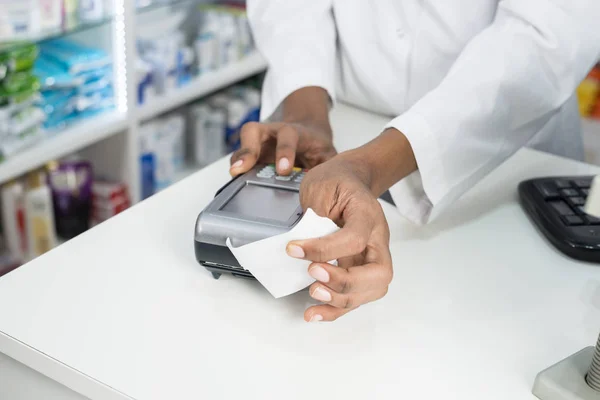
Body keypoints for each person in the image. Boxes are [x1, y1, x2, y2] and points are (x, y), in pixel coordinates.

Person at [229, 1, 600, 322]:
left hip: (510, 151)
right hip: (347, 115)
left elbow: (543, 39)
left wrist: (368, 167)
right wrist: (304, 105)